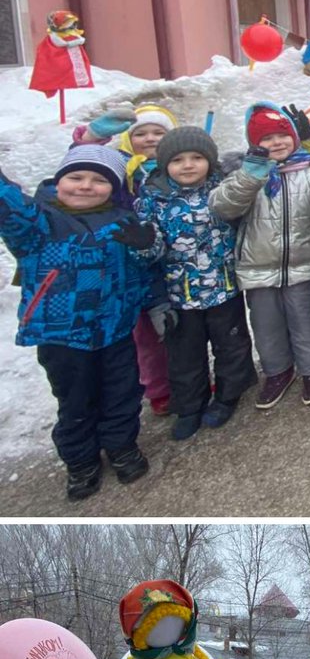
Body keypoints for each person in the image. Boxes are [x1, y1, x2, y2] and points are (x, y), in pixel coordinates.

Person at [0, 144, 158, 500]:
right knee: (74, 400)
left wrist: (146, 248)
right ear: (58, 182)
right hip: (61, 337)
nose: (85, 185)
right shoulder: (39, 224)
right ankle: (81, 461)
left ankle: (122, 448)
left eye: (98, 180)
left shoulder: (123, 220)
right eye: (75, 177)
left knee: (123, 393)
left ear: (113, 187)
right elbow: (8, 207)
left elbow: (141, 270)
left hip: (115, 330)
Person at [210, 103, 310, 410]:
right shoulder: (241, 174)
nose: (276, 143)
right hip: (257, 267)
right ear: (254, 143)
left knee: (306, 320)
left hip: (303, 265)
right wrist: (250, 176)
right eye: (266, 138)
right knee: (265, 324)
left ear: (295, 137)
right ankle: (277, 371)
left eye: (282, 136)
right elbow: (223, 207)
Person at [134, 126, 257, 441]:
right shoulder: (153, 198)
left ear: (210, 161)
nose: (187, 165)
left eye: (196, 158)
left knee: (231, 346)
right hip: (180, 294)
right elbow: (151, 251)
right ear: (165, 165)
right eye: (178, 160)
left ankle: (228, 396)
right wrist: (145, 242)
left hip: (224, 288)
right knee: (185, 355)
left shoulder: (222, 188)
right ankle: (190, 406)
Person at [76, 101, 179, 414]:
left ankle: (187, 379)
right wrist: (90, 140)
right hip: (130, 265)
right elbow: (84, 167)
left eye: (158, 132)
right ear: (127, 139)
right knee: (144, 336)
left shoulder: (178, 164)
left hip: (171, 263)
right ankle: (158, 388)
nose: (149, 139)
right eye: (141, 133)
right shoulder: (120, 169)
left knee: (175, 328)